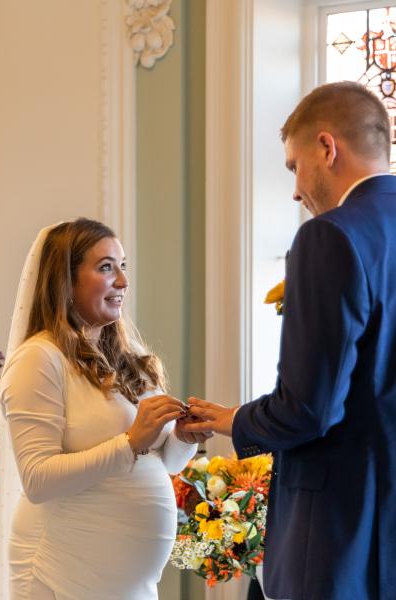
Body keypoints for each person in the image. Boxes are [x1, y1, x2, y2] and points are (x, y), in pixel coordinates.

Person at [185, 81, 396, 600]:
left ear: (327, 148)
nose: (296, 191)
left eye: (293, 167)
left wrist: (235, 421)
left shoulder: (332, 236)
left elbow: (308, 410)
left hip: (341, 533)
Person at [0, 218, 209, 600]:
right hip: (61, 568)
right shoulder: (39, 359)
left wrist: (182, 440)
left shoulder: (129, 358)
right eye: (106, 267)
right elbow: (38, 480)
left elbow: (158, 463)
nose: (123, 281)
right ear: (65, 280)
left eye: (122, 266)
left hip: (126, 583)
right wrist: (129, 443)